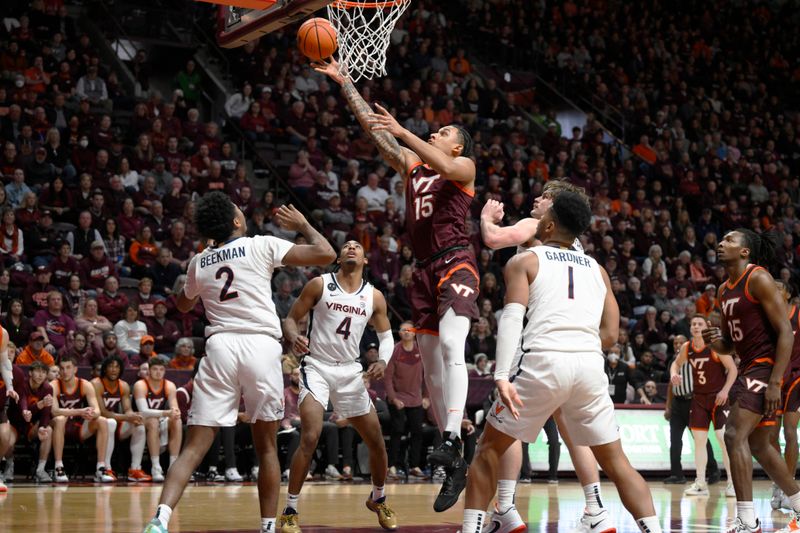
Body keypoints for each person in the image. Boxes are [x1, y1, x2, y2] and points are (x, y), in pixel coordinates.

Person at [316, 57, 477, 511]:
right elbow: (374, 129)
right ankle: (456, 461)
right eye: (437, 131)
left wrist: (406, 132)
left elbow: (432, 157)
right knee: (431, 365)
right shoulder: (412, 165)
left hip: (456, 263)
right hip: (423, 270)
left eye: (446, 132)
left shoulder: (464, 170)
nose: (437, 133)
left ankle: (449, 438)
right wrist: (346, 84)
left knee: (451, 349)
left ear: (459, 147)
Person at [462, 192, 662, 533]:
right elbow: (611, 332)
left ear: (550, 224)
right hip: (589, 367)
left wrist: (500, 376)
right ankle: (651, 529)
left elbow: (512, 318)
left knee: (487, 451)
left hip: (543, 363)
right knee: (617, 462)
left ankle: (474, 527)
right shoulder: (598, 270)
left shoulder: (525, 261)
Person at [142, 192, 335, 533]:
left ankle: (160, 519)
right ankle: (267, 527)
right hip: (260, 346)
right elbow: (325, 253)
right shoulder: (261, 244)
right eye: (238, 210)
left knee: (193, 447)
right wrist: (303, 224)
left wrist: (194, 274)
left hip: (219, 348)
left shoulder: (200, 261)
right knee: (266, 447)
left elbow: (183, 306)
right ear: (235, 222)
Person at [478, 183, 615, 532]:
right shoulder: (581, 249)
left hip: (538, 345)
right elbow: (610, 329)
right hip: (580, 349)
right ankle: (595, 506)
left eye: (543, 197)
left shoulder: (533, 226)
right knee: (575, 435)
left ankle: (505, 507)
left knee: (508, 428)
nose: (535, 201)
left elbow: (493, 240)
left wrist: (486, 219)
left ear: (553, 208)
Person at [279, 240, 397, 532]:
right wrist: (293, 336)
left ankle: (378, 498)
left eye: (357, 246)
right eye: (346, 246)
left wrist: (383, 361)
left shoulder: (374, 296)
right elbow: (291, 319)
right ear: (339, 257)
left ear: (366, 260)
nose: (351, 248)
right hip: (316, 366)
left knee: (377, 443)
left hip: (350, 372)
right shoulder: (320, 284)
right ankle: (290, 509)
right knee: (310, 436)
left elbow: (386, 338)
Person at [704, 229, 800, 533]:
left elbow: (785, 331)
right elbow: (729, 346)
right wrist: (714, 342)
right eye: (722, 240)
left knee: (733, 435)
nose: (721, 243)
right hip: (749, 367)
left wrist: (775, 382)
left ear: (745, 252)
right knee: (759, 443)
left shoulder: (758, 278)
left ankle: (747, 520)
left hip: (766, 368)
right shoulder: (722, 290)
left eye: (730, 240)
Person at [670, 315, 737, 497]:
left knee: (723, 439)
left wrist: (725, 391)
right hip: (699, 398)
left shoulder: (716, 345)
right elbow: (675, 365)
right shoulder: (687, 347)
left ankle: (732, 483)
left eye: (699, 324)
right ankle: (700, 483)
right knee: (699, 441)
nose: (696, 326)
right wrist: (673, 374)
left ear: (706, 326)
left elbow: (733, 369)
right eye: (693, 324)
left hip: (719, 399)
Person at [49, 355, 115, 483]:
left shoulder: (85, 384)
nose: (64, 371)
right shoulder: (54, 385)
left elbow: (97, 410)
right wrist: (80, 411)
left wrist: (92, 414)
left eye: (68, 368)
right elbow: (54, 411)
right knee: (60, 419)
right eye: (62, 368)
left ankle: (100, 469)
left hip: (78, 427)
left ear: (75, 369)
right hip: (58, 428)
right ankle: (58, 467)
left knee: (101, 420)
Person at [92, 355, 151, 482]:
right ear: (105, 369)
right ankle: (106, 468)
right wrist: (127, 417)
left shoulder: (123, 385)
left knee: (139, 425)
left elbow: (127, 409)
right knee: (110, 422)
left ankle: (135, 469)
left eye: (117, 367)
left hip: (113, 421)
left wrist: (133, 416)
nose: (114, 370)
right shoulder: (96, 384)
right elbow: (102, 412)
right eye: (111, 366)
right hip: (94, 423)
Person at [385, 320, 427, 479]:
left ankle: (415, 465)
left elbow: (427, 376)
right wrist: (393, 398)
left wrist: (427, 397)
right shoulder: (394, 351)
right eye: (403, 330)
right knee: (397, 431)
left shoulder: (421, 351)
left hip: (416, 399)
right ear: (400, 333)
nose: (406, 332)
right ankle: (392, 466)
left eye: (409, 329)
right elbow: (387, 378)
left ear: (414, 332)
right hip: (398, 398)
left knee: (417, 432)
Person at [772, 280, 800, 510]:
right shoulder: (767, 315)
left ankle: (790, 489)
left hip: (796, 378)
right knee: (770, 436)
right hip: (774, 378)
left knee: (789, 431)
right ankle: (778, 484)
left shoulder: (798, 315)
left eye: (777, 287)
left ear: (788, 293)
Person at [133, 357, 182, 483]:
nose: (158, 372)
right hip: (139, 420)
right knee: (153, 421)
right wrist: (166, 413)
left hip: (160, 418)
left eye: (161, 369)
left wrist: (174, 413)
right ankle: (156, 467)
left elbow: (174, 408)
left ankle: (173, 466)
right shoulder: (140, 385)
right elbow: (143, 411)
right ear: (149, 371)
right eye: (155, 369)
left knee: (177, 421)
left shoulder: (169, 385)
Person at [7, 360, 54, 483]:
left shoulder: (48, 388)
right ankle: (9, 467)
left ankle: (40, 469)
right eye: (37, 371)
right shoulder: (22, 384)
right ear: (30, 373)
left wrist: (42, 426)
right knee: (7, 437)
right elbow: (22, 401)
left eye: (44, 372)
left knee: (47, 430)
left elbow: (46, 412)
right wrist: (27, 410)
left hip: (31, 426)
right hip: (15, 423)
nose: (40, 375)